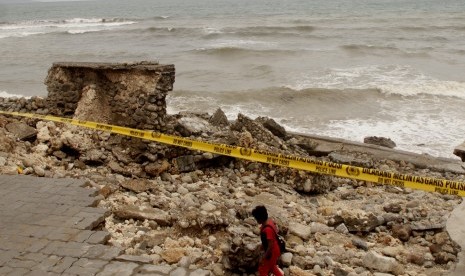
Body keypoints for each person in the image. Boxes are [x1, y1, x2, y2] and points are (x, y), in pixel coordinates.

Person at [251, 205, 283, 276]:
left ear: (260, 219)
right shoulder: (269, 222)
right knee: (272, 266)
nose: (256, 221)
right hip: (276, 249)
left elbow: (270, 246)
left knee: (262, 269)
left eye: (256, 219)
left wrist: (264, 257)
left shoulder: (267, 230)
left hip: (272, 251)